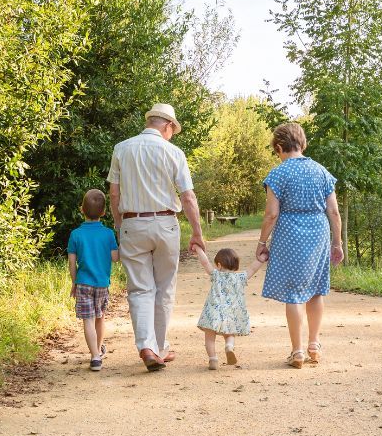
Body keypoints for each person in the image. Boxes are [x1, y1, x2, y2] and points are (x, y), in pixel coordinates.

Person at [108, 103, 207, 372]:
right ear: (167, 125)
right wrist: (197, 232)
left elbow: (114, 194)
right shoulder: (173, 152)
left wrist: (120, 227)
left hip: (132, 223)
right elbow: (187, 196)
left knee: (140, 288)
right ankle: (160, 347)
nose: (172, 134)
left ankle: (146, 346)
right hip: (165, 223)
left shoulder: (121, 149)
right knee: (164, 288)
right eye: (173, 129)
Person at [255, 122, 344, 369]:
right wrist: (337, 243)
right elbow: (334, 212)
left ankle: (297, 351)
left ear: (279, 147)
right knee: (316, 289)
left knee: (294, 293)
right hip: (318, 232)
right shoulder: (322, 172)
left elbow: (271, 214)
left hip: (289, 234)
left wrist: (262, 242)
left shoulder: (278, 174)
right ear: (302, 144)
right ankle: (314, 345)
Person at [67, 189, 120, 371]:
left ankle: (95, 356)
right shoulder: (108, 234)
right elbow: (115, 258)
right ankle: (98, 349)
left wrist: (74, 282)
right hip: (102, 284)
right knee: (100, 317)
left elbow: (72, 263)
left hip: (83, 283)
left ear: (82, 209)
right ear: (104, 212)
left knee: (88, 320)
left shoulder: (76, 234)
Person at [194, 246, 267, 370]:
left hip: (213, 312)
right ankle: (229, 346)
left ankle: (213, 359)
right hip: (232, 313)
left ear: (218, 264)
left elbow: (205, 262)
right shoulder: (241, 277)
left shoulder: (216, 275)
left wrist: (197, 249)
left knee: (209, 337)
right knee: (229, 334)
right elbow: (253, 268)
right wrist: (263, 258)